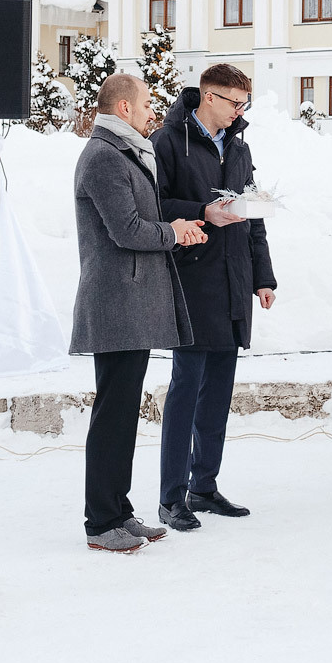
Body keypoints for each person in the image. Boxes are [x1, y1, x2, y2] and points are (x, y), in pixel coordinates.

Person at [71, 73, 208, 552]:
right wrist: (174, 232)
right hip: (115, 303)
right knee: (113, 412)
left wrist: (174, 229)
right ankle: (101, 520)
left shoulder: (124, 151)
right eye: (147, 103)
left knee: (123, 411)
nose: (154, 110)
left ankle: (118, 510)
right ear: (124, 108)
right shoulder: (104, 157)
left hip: (130, 302)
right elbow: (127, 230)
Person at [150, 63, 279, 531]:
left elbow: (254, 215)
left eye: (245, 104)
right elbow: (154, 205)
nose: (240, 112)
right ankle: (171, 497)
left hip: (233, 282)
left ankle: (203, 487)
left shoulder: (241, 146)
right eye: (234, 103)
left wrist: (263, 277)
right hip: (191, 280)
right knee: (187, 389)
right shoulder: (168, 142)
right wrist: (203, 211)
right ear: (209, 97)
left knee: (218, 391)